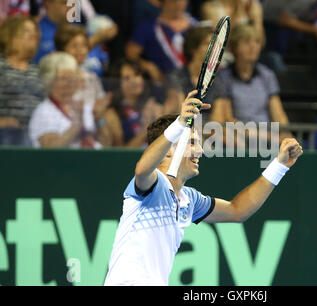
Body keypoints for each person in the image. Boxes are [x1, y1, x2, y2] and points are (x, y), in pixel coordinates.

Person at [104, 90, 303, 285]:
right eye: (192, 142)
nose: (200, 150)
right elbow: (142, 170)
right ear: (167, 151)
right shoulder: (154, 186)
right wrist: (179, 124)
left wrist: (278, 166)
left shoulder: (189, 199)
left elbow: (237, 210)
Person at [212, 24, 291, 139]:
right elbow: (227, 118)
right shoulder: (224, 77)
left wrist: (285, 136)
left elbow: (278, 114)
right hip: (239, 138)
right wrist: (257, 135)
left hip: (268, 138)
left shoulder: (267, 75)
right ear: (234, 47)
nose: (253, 47)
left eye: (257, 42)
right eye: (247, 42)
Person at [28, 52, 110, 148]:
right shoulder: (44, 112)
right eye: (64, 78)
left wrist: (99, 119)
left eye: (72, 76)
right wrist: (77, 123)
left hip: (94, 159)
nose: (70, 81)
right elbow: (50, 149)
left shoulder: (83, 105)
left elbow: (107, 144)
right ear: (50, 81)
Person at [54, 24, 112, 139]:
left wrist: (99, 114)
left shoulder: (92, 78)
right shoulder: (56, 77)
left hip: (91, 135)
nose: (80, 51)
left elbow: (99, 111)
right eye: (74, 46)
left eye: (84, 46)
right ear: (62, 49)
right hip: (63, 132)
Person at [164, 24, 228, 122]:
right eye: (208, 44)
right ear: (193, 48)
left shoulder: (218, 79)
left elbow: (218, 121)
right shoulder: (176, 77)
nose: (214, 49)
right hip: (183, 132)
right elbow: (180, 115)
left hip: (209, 133)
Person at [126, 0, 198, 82]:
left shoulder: (196, 26)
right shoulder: (148, 27)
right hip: (163, 84)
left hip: (193, 81)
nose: (178, 3)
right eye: (174, 1)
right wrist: (146, 65)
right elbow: (130, 54)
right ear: (163, 2)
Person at [0, 16, 44, 145]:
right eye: (26, 31)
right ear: (10, 35)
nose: (33, 35)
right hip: (6, 134)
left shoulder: (37, 71)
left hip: (37, 133)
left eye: (35, 32)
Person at [33, 0, 117, 65]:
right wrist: (93, 41)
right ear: (48, 4)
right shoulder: (36, 31)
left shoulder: (82, 29)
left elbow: (104, 62)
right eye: (65, 2)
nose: (71, 6)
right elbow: (54, 65)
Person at [104, 59, 164, 147]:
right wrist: (146, 127)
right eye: (126, 78)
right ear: (117, 84)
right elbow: (120, 155)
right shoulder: (112, 114)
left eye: (137, 74)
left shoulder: (152, 106)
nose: (134, 81)